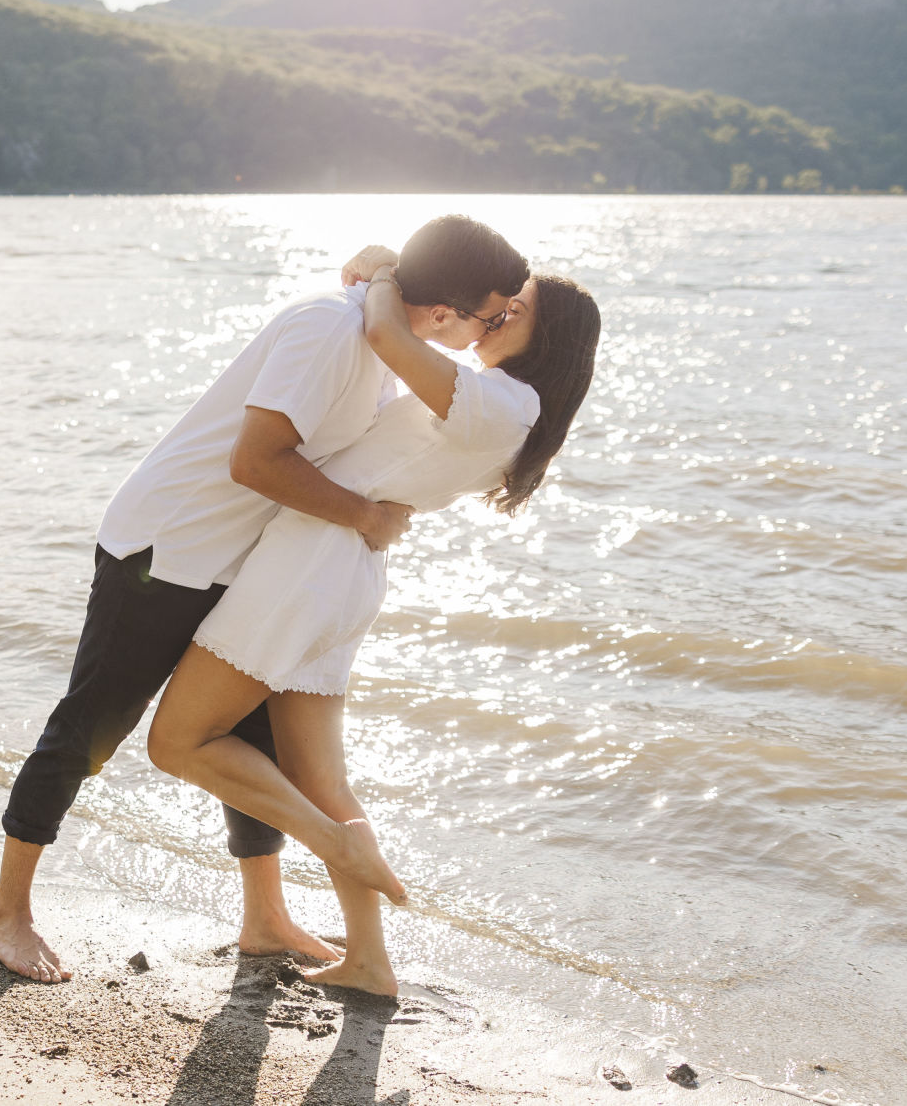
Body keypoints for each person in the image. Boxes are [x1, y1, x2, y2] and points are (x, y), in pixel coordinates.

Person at [0, 217, 531, 983]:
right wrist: (366, 518)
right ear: (444, 314)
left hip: (237, 560)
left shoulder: (381, 342)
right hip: (164, 548)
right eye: (490, 315)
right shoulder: (328, 332)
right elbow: (255, 461)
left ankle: (264, 918)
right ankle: (8, 913)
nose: (492, 330)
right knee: (91, 728)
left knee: (254, 738)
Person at [147, 248, 601, 998]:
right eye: (504, 301)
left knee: (177, 742)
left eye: (517, 311)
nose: (497, 314)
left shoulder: (502, 404)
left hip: (308, 567)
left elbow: (392, 338)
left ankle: (341, 851)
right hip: (343, 570)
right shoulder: (502, 406)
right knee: (322, 779)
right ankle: (367, 961)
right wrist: (383, 276)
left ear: (547, 341)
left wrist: (388, 275)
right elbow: (401, 346)